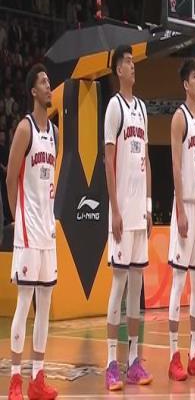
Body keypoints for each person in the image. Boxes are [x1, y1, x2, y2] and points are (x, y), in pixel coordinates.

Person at [7, 64, 58, 400]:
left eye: (49, 81)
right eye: (43, 82)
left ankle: (38, 378)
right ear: (33, 92)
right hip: (27, 231)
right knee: (24, 303)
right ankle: (15, 380)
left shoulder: (54, 132)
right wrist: (18, 219)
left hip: (48, 231)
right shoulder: (25, 128)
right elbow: (10, 178)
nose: (48, 85)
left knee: (45, 304)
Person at [104, 45, 153, 391]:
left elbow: (145, 159)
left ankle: (134, 360)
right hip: (122, 211)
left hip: (140, 213)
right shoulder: (114, 107)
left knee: (136, 288)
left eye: (133, 62)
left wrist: (148, 206)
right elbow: (108, 161)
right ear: (117, 70)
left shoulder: (142, 109)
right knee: (119, 285)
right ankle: (111, 363)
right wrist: (115, 209)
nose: (132, 67)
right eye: (127, 62)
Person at [168, 58, 195, 380]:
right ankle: (173, 356)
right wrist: (181, 210)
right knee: (179, 281)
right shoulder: (179, 118)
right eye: (194, 77)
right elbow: (175, 165)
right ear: (185, 84)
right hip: (184, 206)